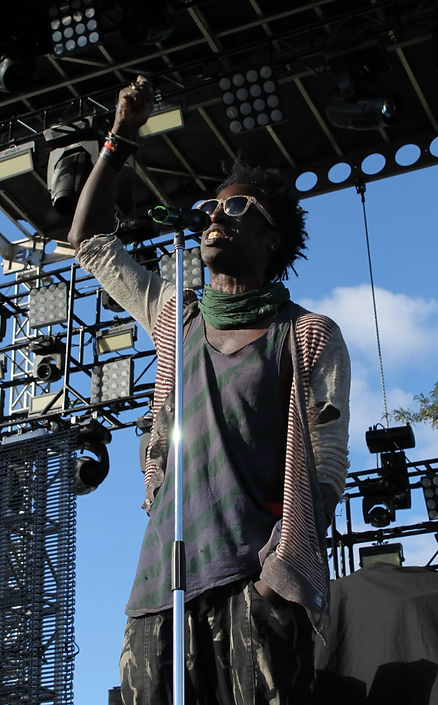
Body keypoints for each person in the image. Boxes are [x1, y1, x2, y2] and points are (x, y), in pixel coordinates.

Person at [68, 76, 350, 705]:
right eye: (213, 208)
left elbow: (326, 466)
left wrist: (276, 578)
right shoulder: (178, 317)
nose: (217, 216)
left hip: (254, 582)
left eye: (238, 207)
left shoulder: (306, 334)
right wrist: (119, 137)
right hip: (160, 588)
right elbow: (88, 242)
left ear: (273, 237)